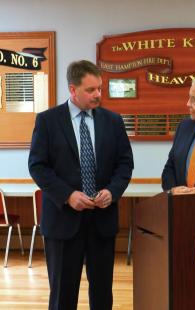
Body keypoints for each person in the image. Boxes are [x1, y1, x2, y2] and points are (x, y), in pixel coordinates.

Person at [28, 60, 134, 310]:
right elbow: (37, 166)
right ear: (73, 90)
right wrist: (67, 195)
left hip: (102, 220)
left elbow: (125, 164)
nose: (98, 94)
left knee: (102, 294)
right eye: (91, 90)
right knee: (63, 294)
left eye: (100, 88)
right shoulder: (48, 121)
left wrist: (112, 191)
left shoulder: (113, 121)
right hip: (64, 220)